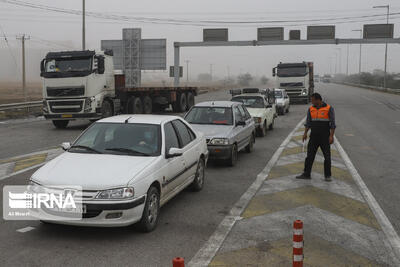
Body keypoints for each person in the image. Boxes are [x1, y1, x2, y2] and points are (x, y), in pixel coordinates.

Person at [296, 93, 336, 182]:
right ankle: (306, 174)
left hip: (324, 137)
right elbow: (308, 123)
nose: (311, 102)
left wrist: (331, 136)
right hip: (313, 136)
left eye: (313, 100)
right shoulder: (310, 109)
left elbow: (333, 124)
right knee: (309, 156)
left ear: (318, 100)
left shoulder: (329, 108)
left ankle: (328, 175)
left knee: (327, 156)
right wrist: (305, 133)